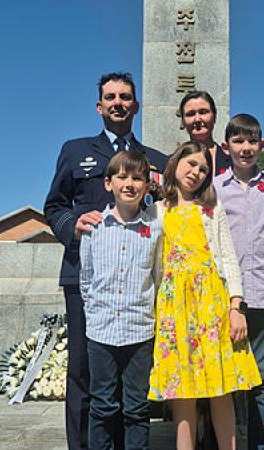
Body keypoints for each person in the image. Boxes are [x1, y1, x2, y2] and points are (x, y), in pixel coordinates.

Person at [44, 72, 168, 450]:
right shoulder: (74, 149)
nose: (118, 102)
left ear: (136, 106)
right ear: (99, 106)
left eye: (125, 96)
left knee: (129, 380)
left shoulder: (157, 162)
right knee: (84, 372)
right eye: (110, 97)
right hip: (84, 276)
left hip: (135, 288)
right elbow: (55, 205)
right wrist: (72, 226)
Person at [148, 141, 262, 450]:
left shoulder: (212, 210)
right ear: (175, 165)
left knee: (220, 387)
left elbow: (228, 258)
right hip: (174, 308)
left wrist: (235, 306)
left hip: (212, 304)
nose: (196, 172)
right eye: (190, 164)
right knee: (182, 390)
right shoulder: (156, 210)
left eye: (202, 168)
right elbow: (149, 262)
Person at [214, 114, 264, 450]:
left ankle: (259, 444)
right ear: (226, 147)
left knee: (261, 379)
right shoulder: (215, 187)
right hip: (224, 296)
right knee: (224, 379)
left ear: (262, 145)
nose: (245, 148)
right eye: (238, 141)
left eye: (251, 141)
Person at [80, 150, 163, 450]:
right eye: (122, 177)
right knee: (102, 406)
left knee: (137, 409)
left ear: (147, 185)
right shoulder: (94, 227)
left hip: (139, 332)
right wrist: (95, 316)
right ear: (108, 184)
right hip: (101, 333)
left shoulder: (154, 231)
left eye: (137, 178)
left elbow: (158, 278)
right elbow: (86, 280)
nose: (129, 184)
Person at [179, 91, 232, 176]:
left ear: (214, 116)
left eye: (203, 112)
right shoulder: (173, 162)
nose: (197, 119)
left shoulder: (233, 161)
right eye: (190, 114)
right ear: (183, 121)